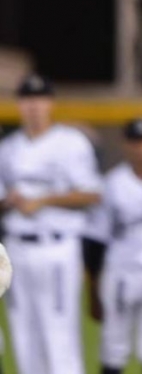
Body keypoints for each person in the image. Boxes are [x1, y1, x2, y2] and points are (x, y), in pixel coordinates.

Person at [0, 74, 102, 374]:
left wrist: (42, 200)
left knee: (59, 335)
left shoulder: (71, 142)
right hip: (17, 247)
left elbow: (92, 194)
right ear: (19, 105)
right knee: (23, 336)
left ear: (50, 103)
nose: (33, 106)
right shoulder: (8, 148)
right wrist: (11, 202)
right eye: (27, 100)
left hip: (57, 247)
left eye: (39, 99)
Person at [86, 117, 142, 374]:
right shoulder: (113, 183)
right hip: (122, 272)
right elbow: (96, 239)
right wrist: (93, 287)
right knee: (114, 346)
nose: (141, 148)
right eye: (136, 142)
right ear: (126, 145)